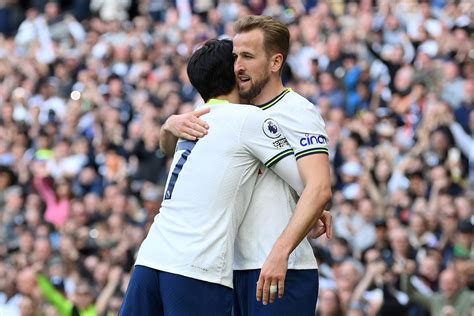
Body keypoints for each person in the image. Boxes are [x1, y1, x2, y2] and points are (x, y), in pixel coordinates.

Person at [120, 39, 317, 316]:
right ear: (236, 72)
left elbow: (165, 147)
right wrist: (317, 208)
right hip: (196, 268)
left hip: (150, 259)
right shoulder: (248, 119)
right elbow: (309, 182)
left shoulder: (192, 121)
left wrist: (167, 124)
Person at [160, 15, 332, 315]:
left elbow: (319, 187)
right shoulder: (232, 114)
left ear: (275, 62)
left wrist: (281, 251)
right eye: (236, 56)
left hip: (280, 269)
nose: (238, 65)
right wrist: (168, 126)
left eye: (248, 57)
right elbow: (172, 156)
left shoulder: (297, 111)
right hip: (232, 270)